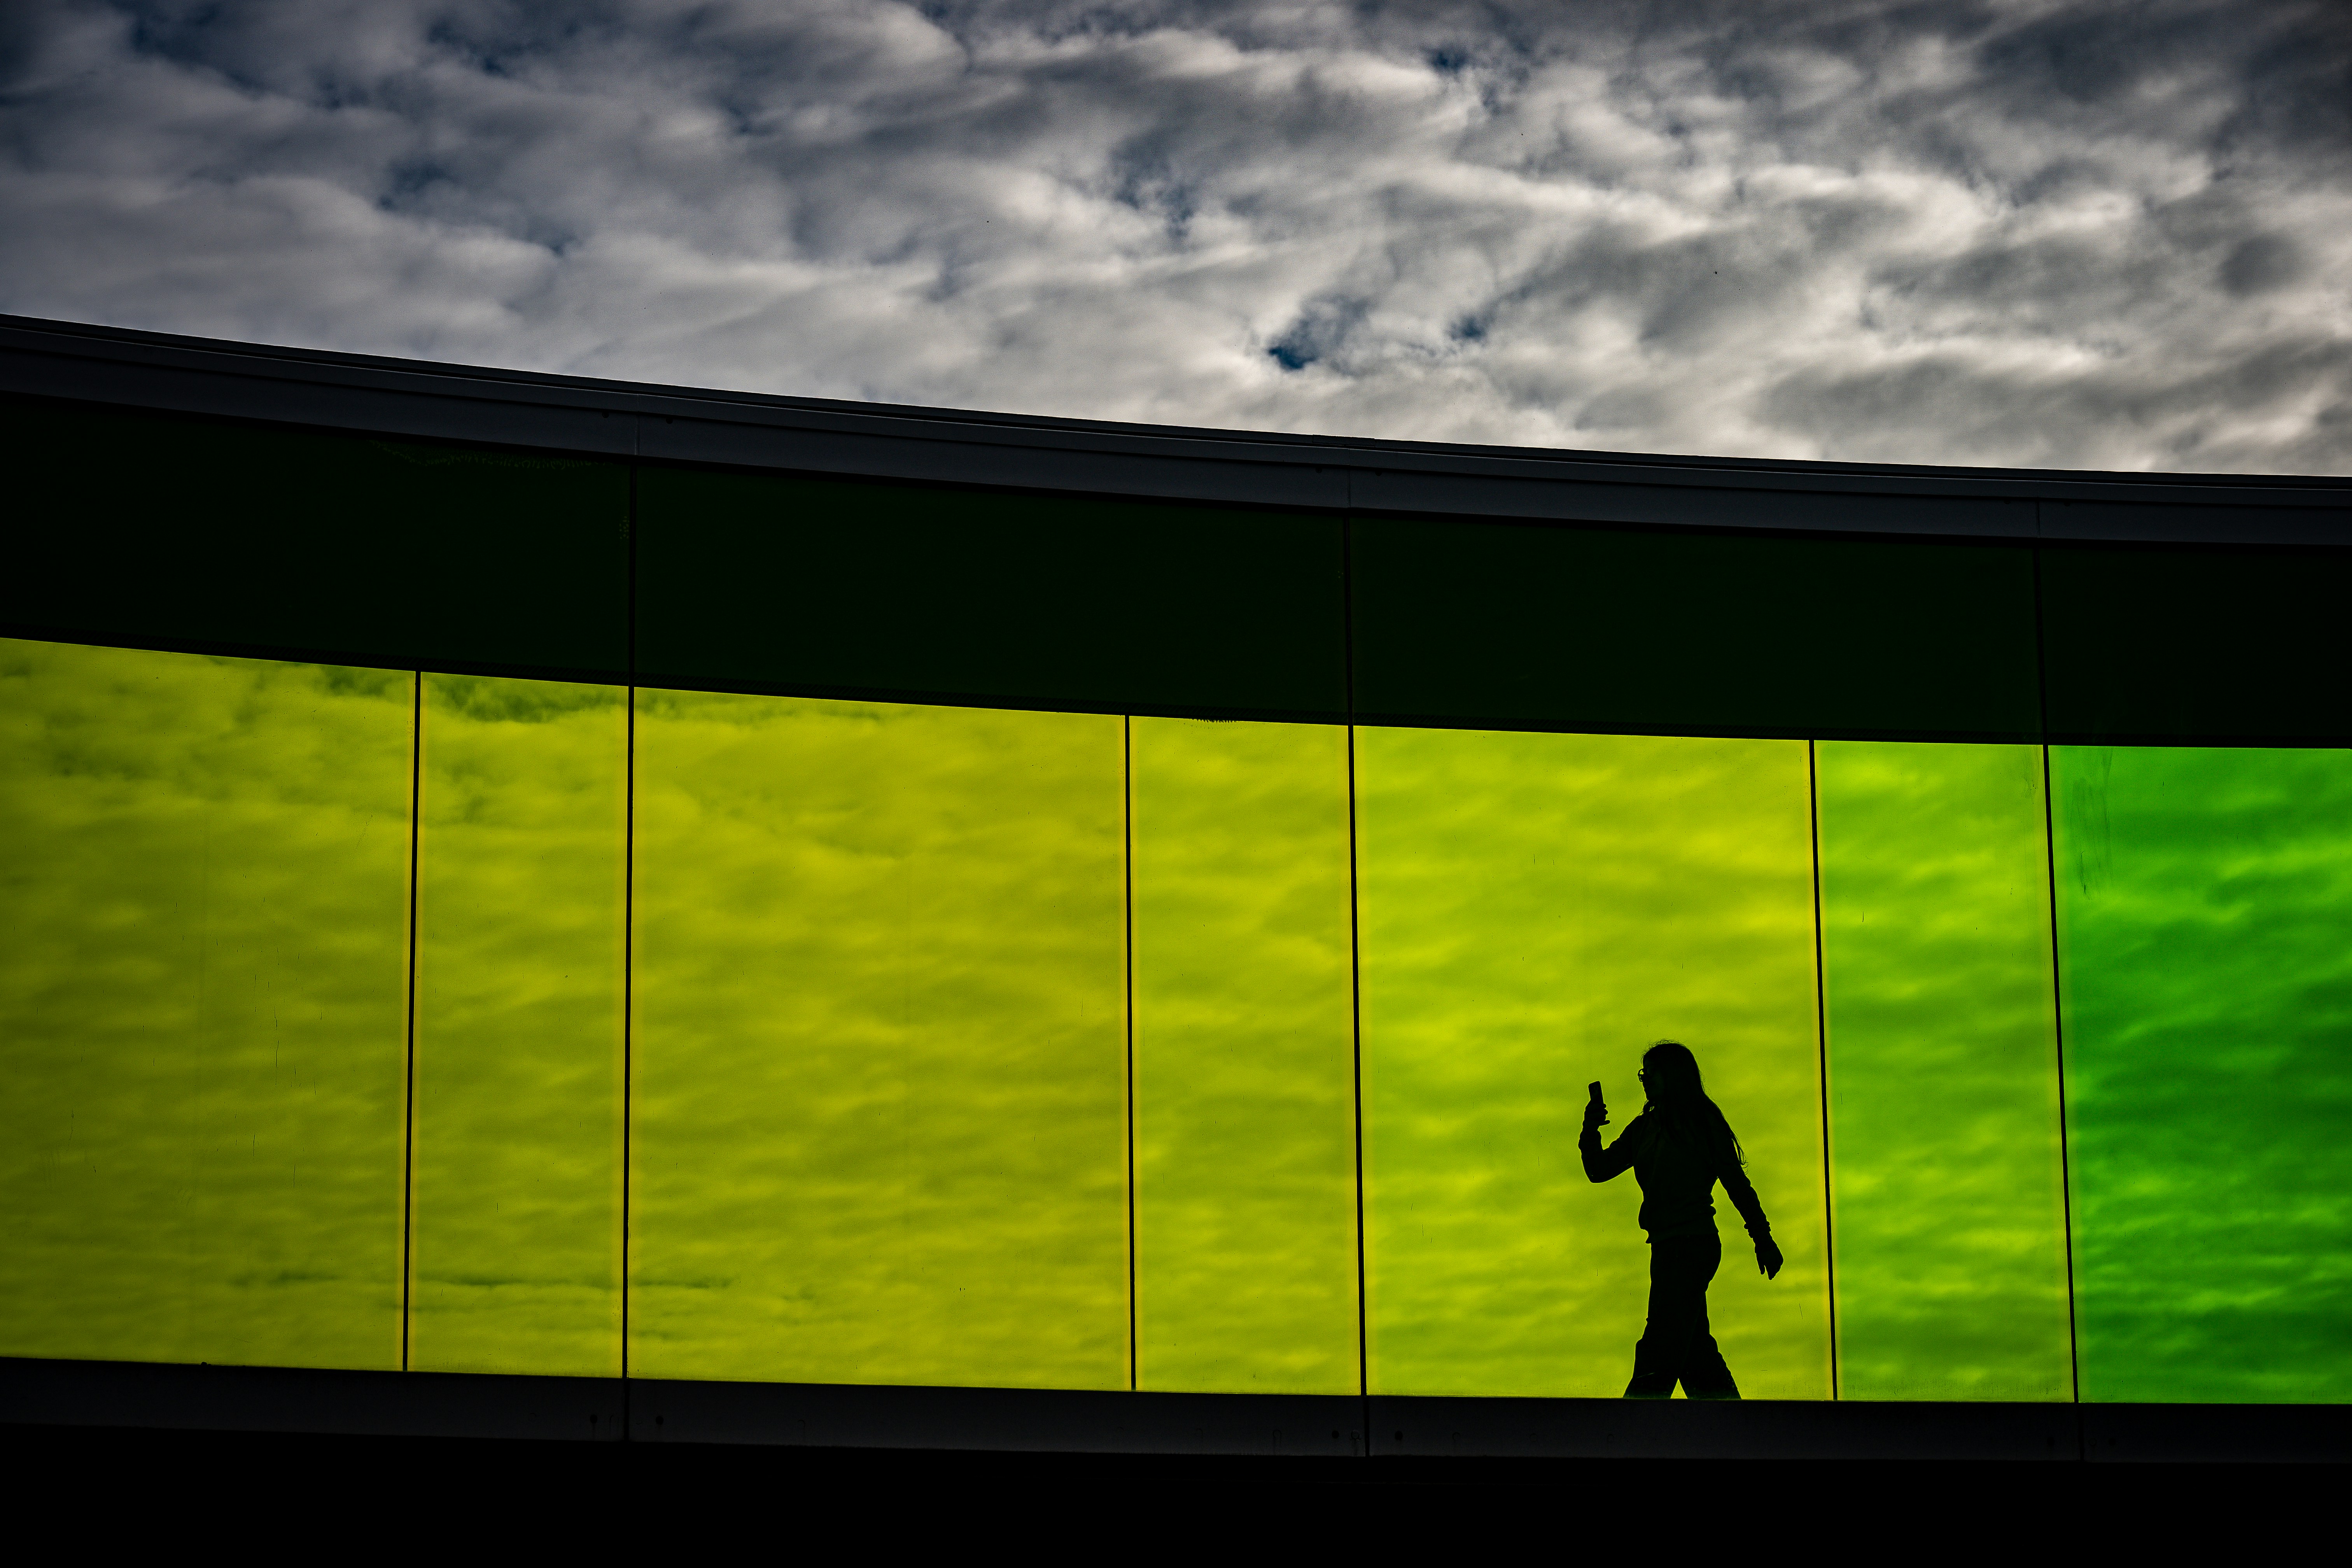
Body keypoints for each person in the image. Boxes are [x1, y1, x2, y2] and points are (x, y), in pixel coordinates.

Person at [1581, 1040, 1784, 1400]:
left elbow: (1737, 1184)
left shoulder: (1702, 1124)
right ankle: (1730, 1427)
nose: (1644, 1081)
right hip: (1665, 1248)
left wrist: (1763, 1238)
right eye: (1643, 1074)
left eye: (1651, 1073)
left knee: (1660, 1343)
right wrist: (1590, 1129)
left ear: (1672, 1076)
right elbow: (1599, 1170)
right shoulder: (1644, 1129)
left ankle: (1635, 1423)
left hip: (1692, 1245)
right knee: (1693, 1350)